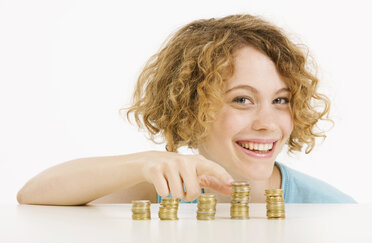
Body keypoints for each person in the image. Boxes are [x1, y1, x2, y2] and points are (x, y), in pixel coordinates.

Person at [17, 14, 356, 205]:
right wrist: (143, 162)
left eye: (280, 100)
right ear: (191, 106)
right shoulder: (158, 190)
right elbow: (33, 195)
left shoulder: (332, 208)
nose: (268, 123)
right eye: (242, 100)